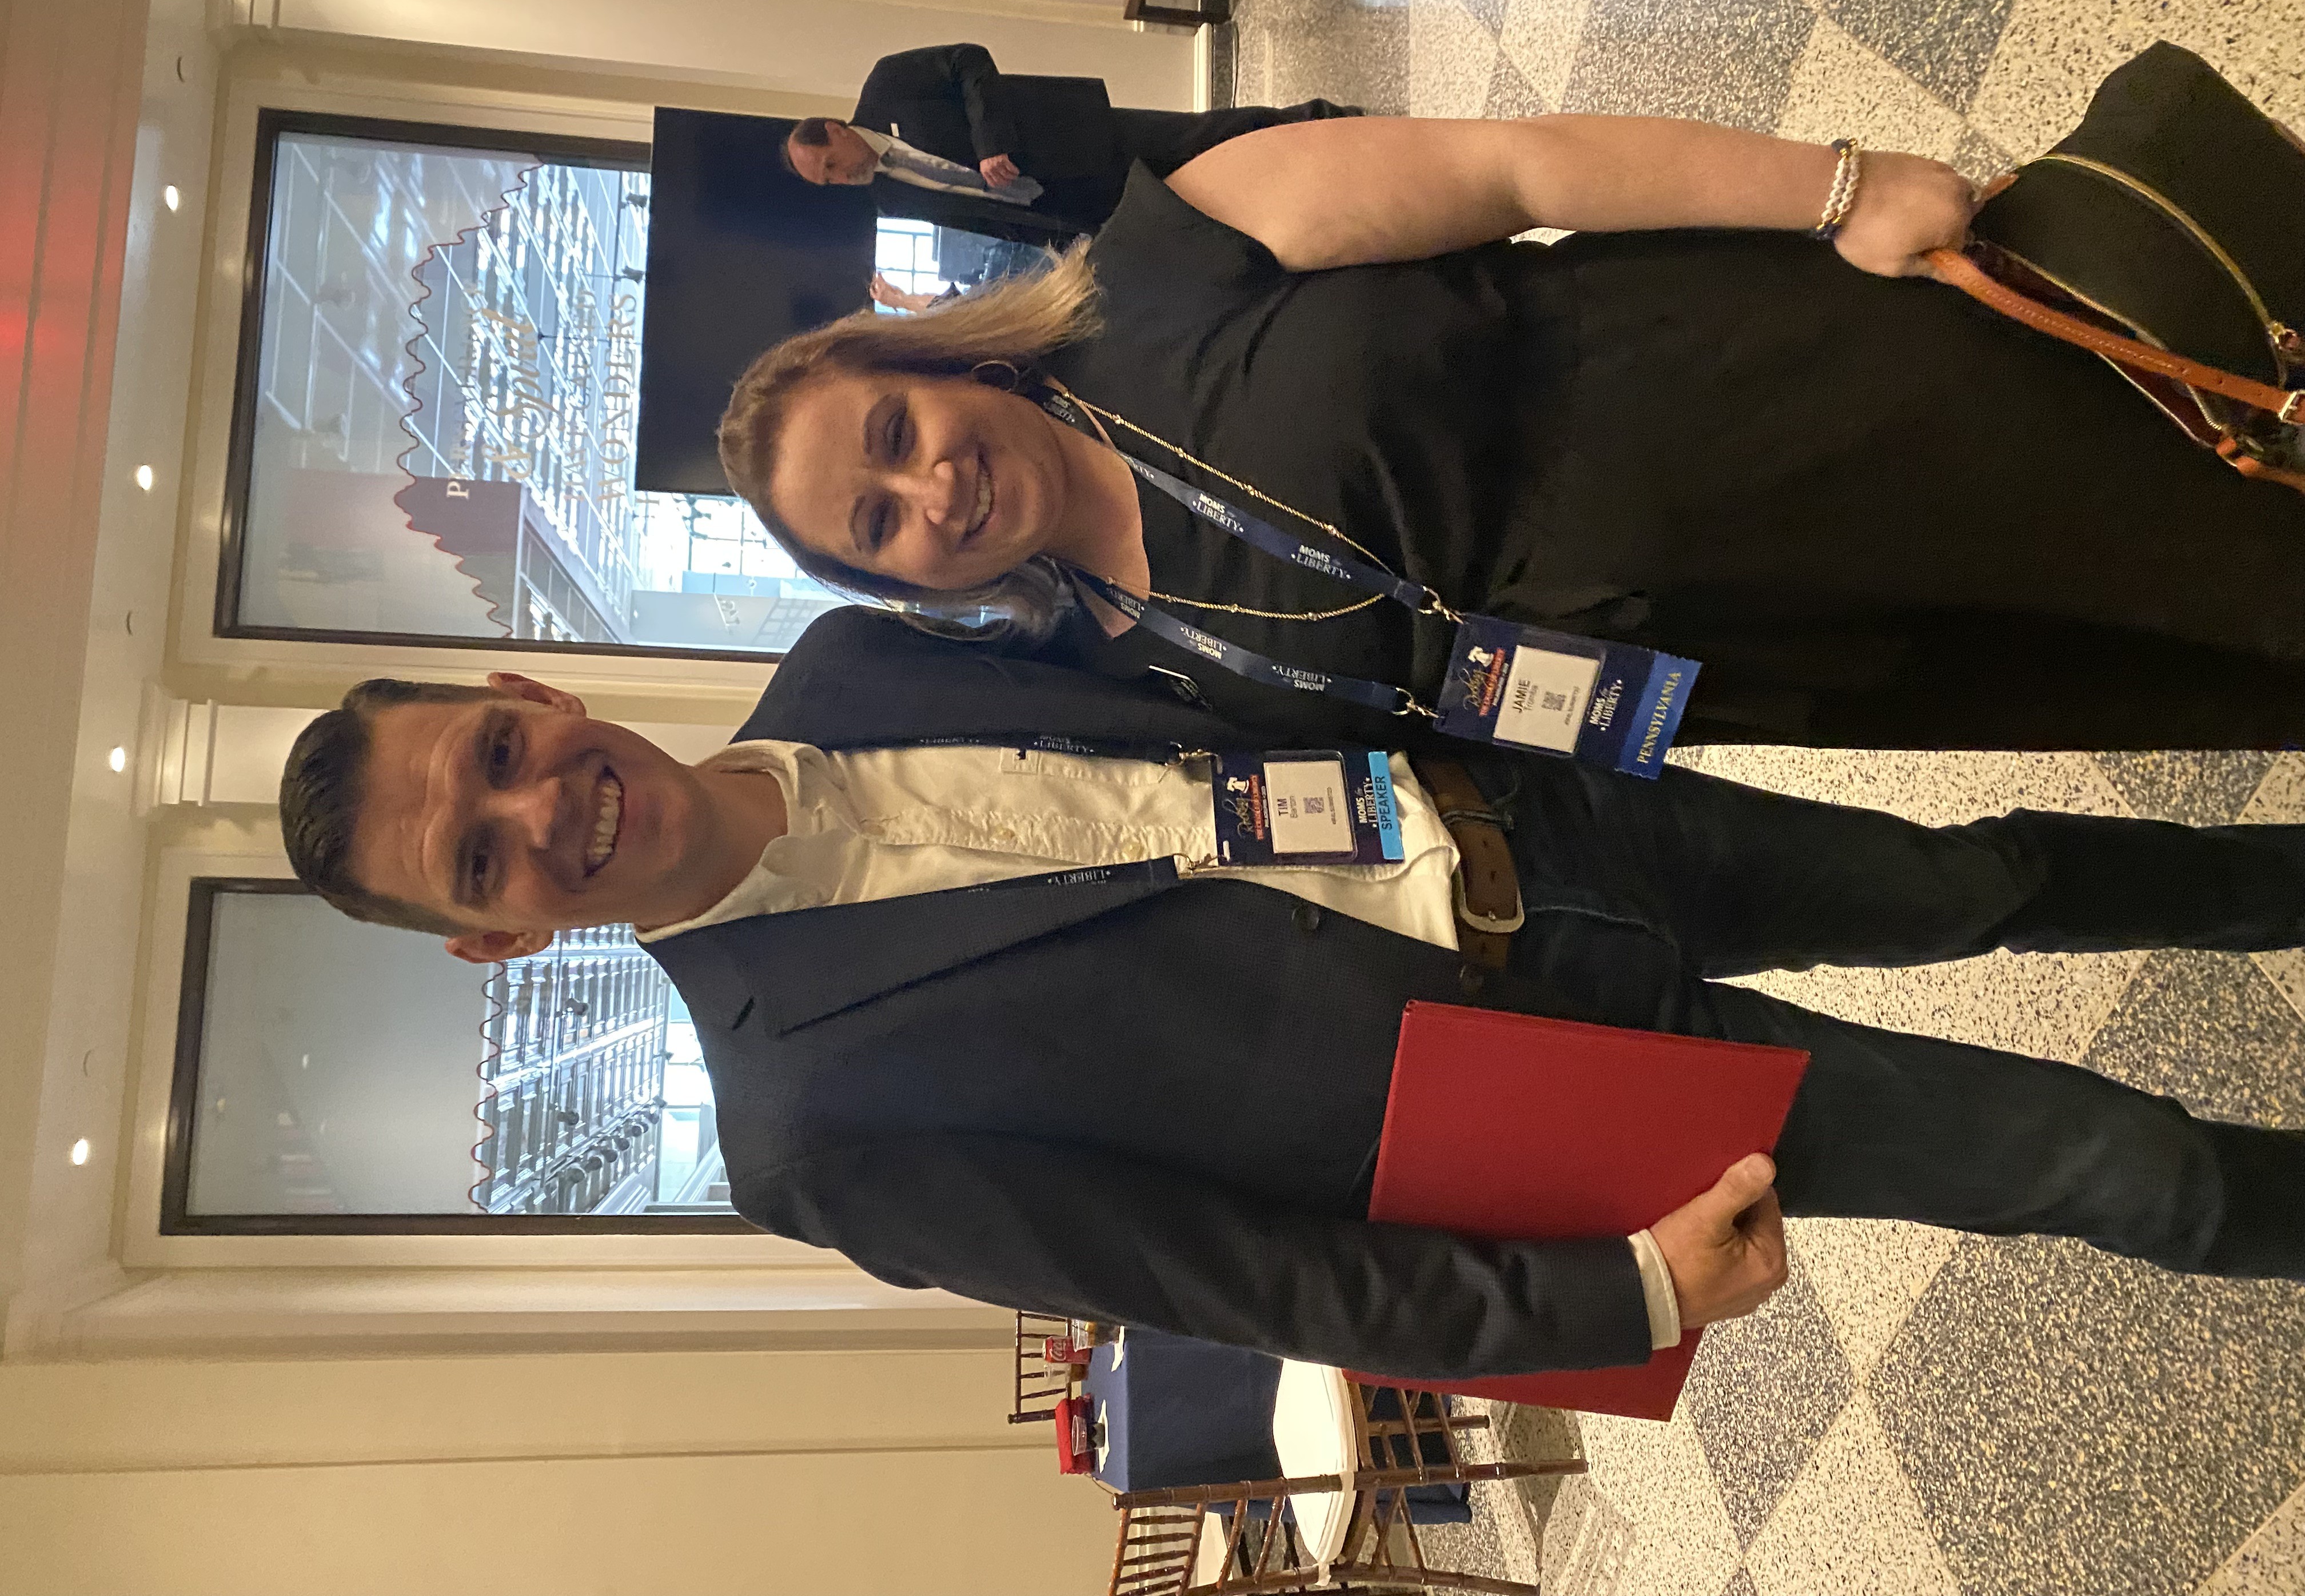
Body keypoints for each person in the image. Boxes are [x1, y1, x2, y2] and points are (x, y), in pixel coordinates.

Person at [277, 606, 2305, 1378]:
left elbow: (1189, 663)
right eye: (484, 858)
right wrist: (1617, 1298)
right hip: (1549, 1075)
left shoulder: (847, 659)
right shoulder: (805, 1128)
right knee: (2110, 1163)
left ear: (525, 690)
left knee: (1987, 878)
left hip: (1536, 822)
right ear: (497, 939)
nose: (542, 810)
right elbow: (1228, 1272)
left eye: (500, 753)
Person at [735, 91, 2305, 752]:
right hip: (1746, 663)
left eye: (893, 433)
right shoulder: (1126, 663)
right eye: (878, 526)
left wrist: (1841, 191)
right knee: (2187, 667)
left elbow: (1515, 167)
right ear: (902, 584)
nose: (930, 489)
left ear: (935, 364)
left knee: (2199, 497)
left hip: (1759, 396)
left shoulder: (1166, 261)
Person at [780, 42, 1362, 244]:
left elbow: (969, 61)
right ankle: (1305, 190)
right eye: (828, 181)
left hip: (1068, 135)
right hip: (1067, 202)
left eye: (830, 164)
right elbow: (981, 218)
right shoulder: (889, 199)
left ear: (835, 129)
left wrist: (990, 144)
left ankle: (1317, 122)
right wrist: (1061, 242)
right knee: (1190, 197)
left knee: (1198, 137)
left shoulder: (888, 84)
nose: (840, 178)